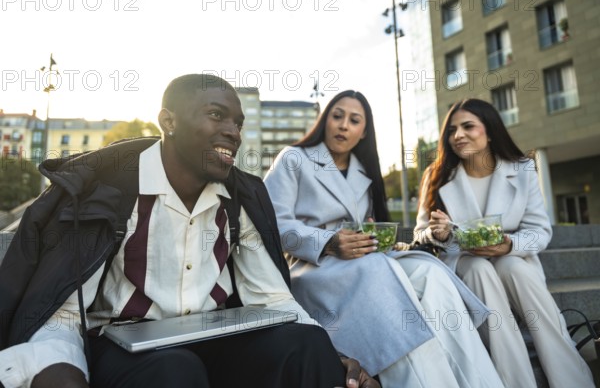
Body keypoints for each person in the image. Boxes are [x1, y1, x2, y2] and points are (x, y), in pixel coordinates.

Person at [0, 74, 380, 388]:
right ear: (168, 121)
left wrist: (335, 357)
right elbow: (62, 315)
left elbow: (274, 299)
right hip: (123, 351)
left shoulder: (239, 197)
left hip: (215, 340)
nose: (233, 132)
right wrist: (57, 369)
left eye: (238, 124)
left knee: (307, 343)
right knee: (175, 370)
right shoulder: (109, 190)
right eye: (217, 115)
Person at [264, 90, 505, 387]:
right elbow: (272, 222)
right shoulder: (293, 159)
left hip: (362, 262)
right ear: (324, 121)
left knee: (431, 272)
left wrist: (370, 234)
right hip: (313, 268)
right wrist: (328, 241)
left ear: (363, 132)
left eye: (354, 120)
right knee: (381, 274)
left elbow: (364, 227)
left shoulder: (363, 172)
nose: (343, 125)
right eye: (337, 116)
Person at [414, 98, 595, 388]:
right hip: (464, 265)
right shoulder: (435, 176)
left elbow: (539, 230)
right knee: (478, 268)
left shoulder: (522, 170)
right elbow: (419, 234)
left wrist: (509, 245)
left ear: (490, 130)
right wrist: (440, 234)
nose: (458, 135)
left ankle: (571, 379)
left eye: (468, 126)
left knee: (512, 266)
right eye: (452, 130)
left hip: (514, 262)